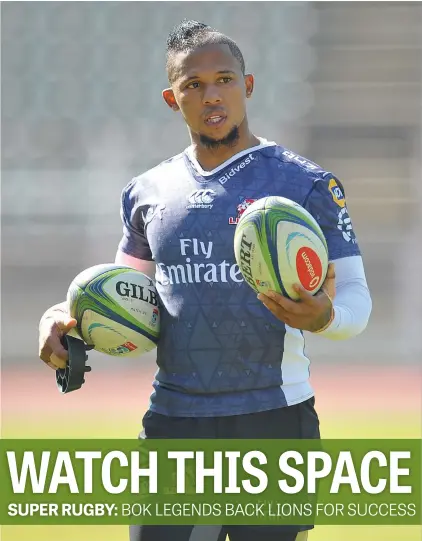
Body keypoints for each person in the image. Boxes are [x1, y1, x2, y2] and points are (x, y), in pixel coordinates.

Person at [38, 19, 372, 541]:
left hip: (274, 420)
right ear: (173, 99)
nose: (211, 95)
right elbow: (125, 296)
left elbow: (355, 298)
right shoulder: (147, 191)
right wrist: (62, 319)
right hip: (174, 421)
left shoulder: (305, 183)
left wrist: (325, 317)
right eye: (193, 84)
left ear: (249, 85)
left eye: (224, 79)